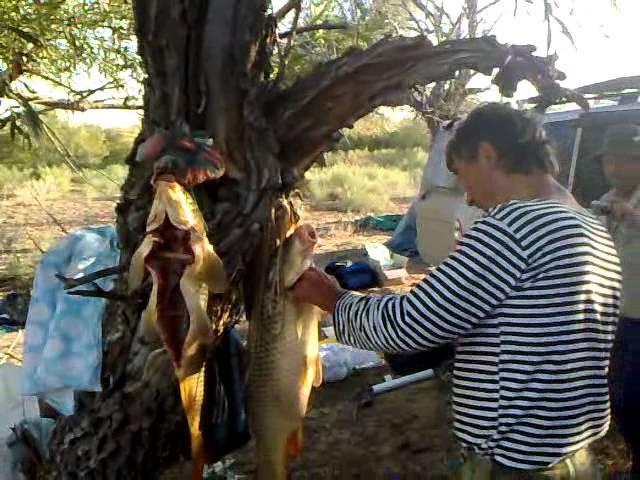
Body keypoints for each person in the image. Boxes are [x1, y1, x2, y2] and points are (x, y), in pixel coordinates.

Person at [292, 103, 622, 479]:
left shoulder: (516, 225)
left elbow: (410, 327)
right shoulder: (586, 223)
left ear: (487, 153)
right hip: (569, 448)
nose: (467, 198)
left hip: (517, 459)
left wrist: (333, 299)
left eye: (464, 178)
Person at [593, 124, 640, 475]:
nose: (615, 169)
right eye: (610, 162)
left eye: (625, 161)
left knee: (631, 400)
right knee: (621, 400)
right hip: (618, 319)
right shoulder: (608, 200)